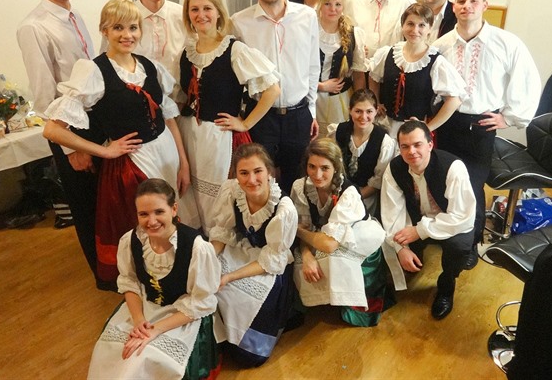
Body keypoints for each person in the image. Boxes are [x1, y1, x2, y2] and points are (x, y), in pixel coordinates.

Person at [43, 0, 191, 284]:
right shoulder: (93, 71)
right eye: (118, 28)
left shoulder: (150, 66)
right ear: (105, 30)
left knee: (172, 214)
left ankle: (177, 272)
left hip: (167, 154)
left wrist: (183, 162)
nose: (127, 35)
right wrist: (105, 151)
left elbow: (168, 116)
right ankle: (155, 281)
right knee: (148, 222)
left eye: (133, 28)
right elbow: (52, 129)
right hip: (135, 161)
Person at [433, 0, 541, 268]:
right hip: (447, 123)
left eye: (473, 0)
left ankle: (470, 243)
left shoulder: (506, 43)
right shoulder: (441, 44)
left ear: (484, 5)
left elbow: (527, 80)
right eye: (461, 1)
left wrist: (509, 117)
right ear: (454, 6)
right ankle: (447, 235)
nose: (466, 6)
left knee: (471, 186)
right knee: (445, 182)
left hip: (481, 124)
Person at [16, 0, 104, 287]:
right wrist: (71, 148)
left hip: (94, 122)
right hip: (68, 130)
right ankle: (104, 277)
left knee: (104, 202)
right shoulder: (34, 27)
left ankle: (119, 268)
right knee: (86, 208)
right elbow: (43, 96)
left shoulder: (75, 15)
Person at [87, 178, 221, 380]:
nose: (151, 221)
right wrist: (139, 321)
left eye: (159, 212)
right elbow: (130, 282)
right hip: (144, 306)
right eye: (143, 214)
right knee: (109, 349)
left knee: (144, 356)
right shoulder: (131, 240)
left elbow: (201, 302)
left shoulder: (196, 247)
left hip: (182, 312)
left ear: (173, 209)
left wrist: (155, 330)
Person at [178, 0, 280, 233]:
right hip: (190, 135)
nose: (201, 15)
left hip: (220, 139)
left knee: (220, 200)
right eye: (194, 9)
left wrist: (245, 123)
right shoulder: (186, 53)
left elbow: (272, 89)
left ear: (218, 12)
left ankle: (221, 244)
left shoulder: (233, 50)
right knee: (194, 197)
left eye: (207, 8)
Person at [232, 0, 320, 194]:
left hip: (298, 114)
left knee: (297, 182)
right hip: (261, 117)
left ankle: (292, 220)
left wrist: (311, 110)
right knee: (260, 182)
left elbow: (313, 67)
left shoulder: (307, 16)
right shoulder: (239, 22)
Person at [208, 143, 298, 366]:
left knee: (238, 295)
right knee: (210, 282)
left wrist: (229, 277)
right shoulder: (232, 191)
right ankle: (217, 339)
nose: (251, 180)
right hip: (241, 248)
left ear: (269, 173)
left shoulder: (284, 209)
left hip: (268, 263)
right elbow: (223, 232)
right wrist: (208, 260)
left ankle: (244, 346)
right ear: (236, 175)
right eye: (244, 173)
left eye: (258, 171)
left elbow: (273, 259)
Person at [380, 121, 475, 320]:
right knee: (400, 252)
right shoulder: (394, 168)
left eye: (417, 145)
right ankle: (415, 256)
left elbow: (462, 217)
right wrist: (401, 248)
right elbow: (391, 212)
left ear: (430, 144)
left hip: (450, 222)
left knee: (459, 247)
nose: (411, 152)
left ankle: (446, 286)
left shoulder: (453, 168)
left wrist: (419, 231)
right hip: (417, 219)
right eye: (405, 146)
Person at [291, 138, 389, 327]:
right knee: (300, 259)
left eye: (324, 168)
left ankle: (349, 303)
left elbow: (329, 244)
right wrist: (306, 254)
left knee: (334, 256)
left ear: (336, 168)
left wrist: (297, 231)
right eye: (312, 167)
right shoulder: (301, 187)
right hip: (321, 236)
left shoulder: (348, 193)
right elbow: (307, 227)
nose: (317, 175)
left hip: (358, 240)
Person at [101, 0, 187, 103]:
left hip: (179, 103)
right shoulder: (122, 19)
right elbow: (107, 64)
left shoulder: (183, 16)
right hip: (135, 104)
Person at [369, 3, 465, 138]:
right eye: (410, 24)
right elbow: (374, 76)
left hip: (414, 134)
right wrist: (376, 102)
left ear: (430, 28)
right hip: (384, 126)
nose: (415, 30)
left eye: (421, 25)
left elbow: (455, 99)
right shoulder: (387, 53)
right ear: (402, 26)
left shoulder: (436, 62)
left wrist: (428, 127)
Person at [328, 89, 396, 217]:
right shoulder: (338, 132)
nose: (363, 117)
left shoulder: (384, 142)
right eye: (358, 111)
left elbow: (377, 181)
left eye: (369, 111)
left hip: (365, 199)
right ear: (350, 110)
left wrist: (353, 198)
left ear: (376, 111)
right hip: (337, 194)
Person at [315, 0, 368, 130]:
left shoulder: (354, 34)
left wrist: (359, 105)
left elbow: (358, 75)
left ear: (343, 6)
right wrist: (321, 86)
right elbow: (296, 72)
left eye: (338, 4)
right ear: (320, 4)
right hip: (311, 99)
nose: (333, 9)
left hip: (340, 102)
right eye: (327, 4)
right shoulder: (308, 30)